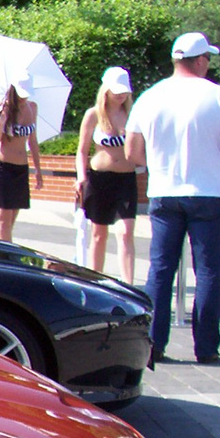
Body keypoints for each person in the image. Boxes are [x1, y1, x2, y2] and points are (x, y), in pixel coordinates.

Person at [126, 31, 220, 366]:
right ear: (198, 60)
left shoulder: (150, 97)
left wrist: (163, 161)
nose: (209, 63)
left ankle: (154, 344)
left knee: (160, 270)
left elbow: (134, 153)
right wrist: (216, 155)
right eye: (207, 58)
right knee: (209, 272)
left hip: (165, 191)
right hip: (209, 191)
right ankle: (206, 346)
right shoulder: (219, 96)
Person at [74, 66, 139, 283]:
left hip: (126, 180)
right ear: (106, 90)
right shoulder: (93, 115)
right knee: (98, 234)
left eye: (124, 92)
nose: (121, 96)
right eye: (116, 91)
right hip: (99, 179)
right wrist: (81, 177)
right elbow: (82, 150)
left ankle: (128, 284)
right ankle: (94, 281)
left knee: (126, 232)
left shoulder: (131, 115)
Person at [0, 77, 43, 241]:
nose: (24, 98)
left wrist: (38, 169)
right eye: (21, 94)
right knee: (3, 221)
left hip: (21, 169)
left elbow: (32, 141)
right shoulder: (2, 109)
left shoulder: (32, 108)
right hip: (3, 168)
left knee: (10, 222)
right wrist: (1, 123)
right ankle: (6, 259)